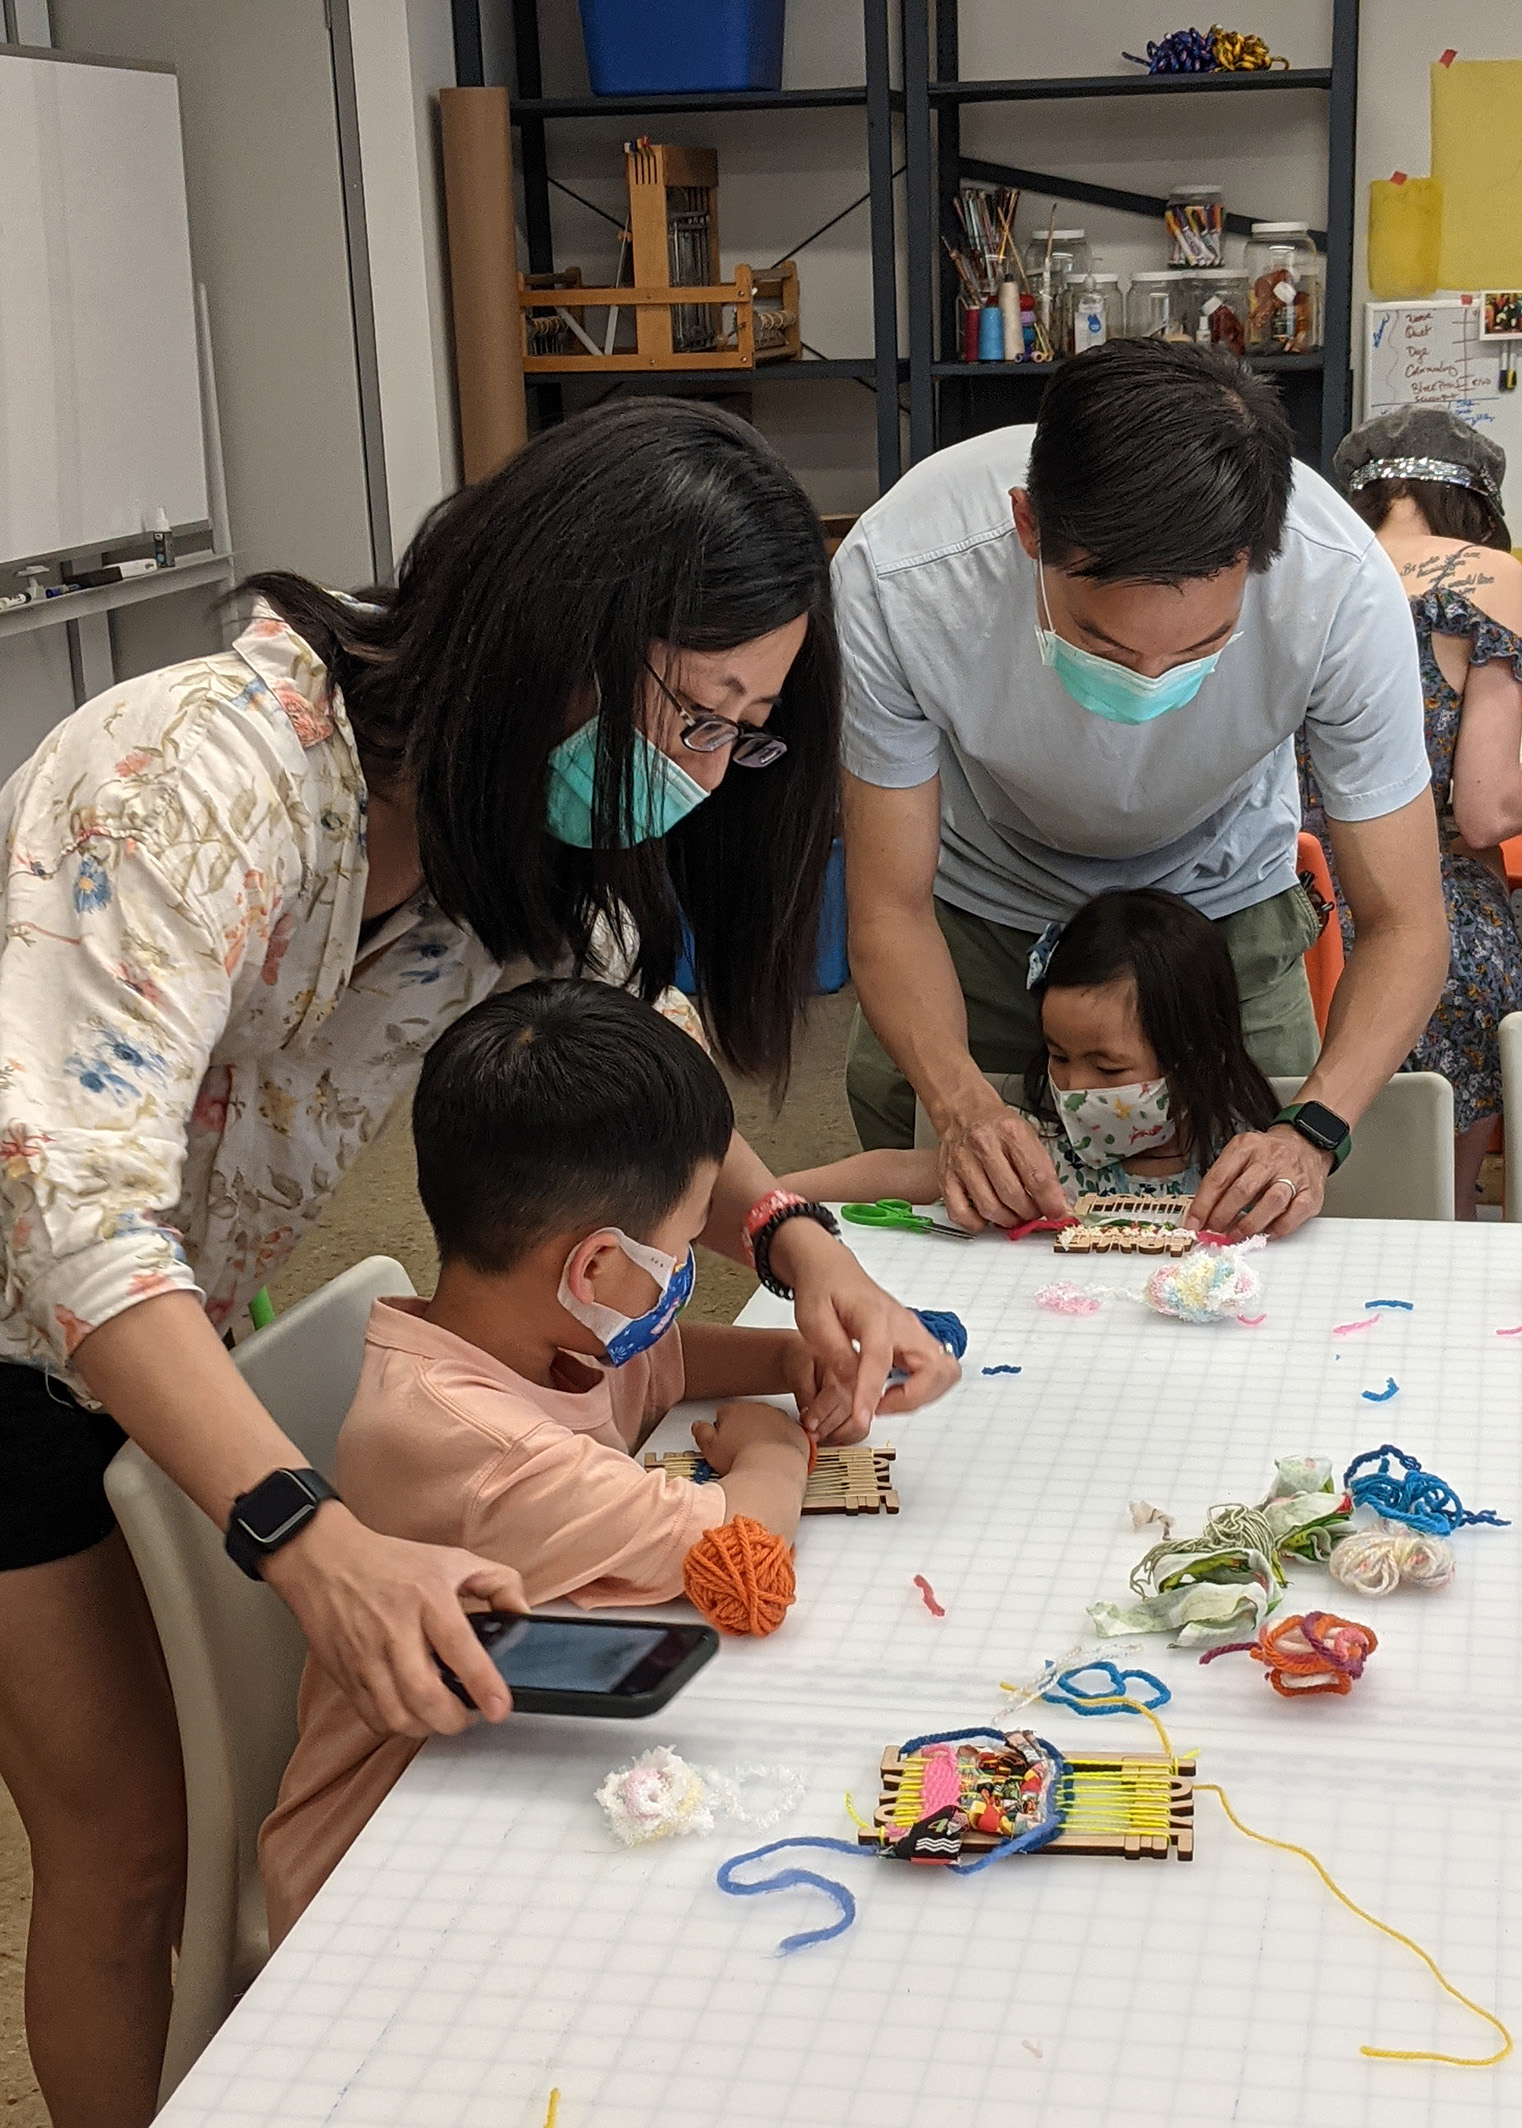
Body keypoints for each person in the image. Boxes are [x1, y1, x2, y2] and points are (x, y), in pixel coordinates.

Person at [0, 398, 956, 2126]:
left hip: (175, 1314)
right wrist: (306, 1534)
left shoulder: (501, 832)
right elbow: (69, 1216)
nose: (701, 764)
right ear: (560, 619)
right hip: (14, 1332)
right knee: (126, 1847)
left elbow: (634, 1048)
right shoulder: (194, 775)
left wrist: (795, 1237)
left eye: (744, 730)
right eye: (691, 706)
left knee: (176, 1805)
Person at [834, 339, 1448, 1247]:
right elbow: (888, 903)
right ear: (1029, 527)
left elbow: (1405, 921)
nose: (1150, 684)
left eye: (1202, 647)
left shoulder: (1341, 591)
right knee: (957, 1228)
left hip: (1221, 913)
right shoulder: (903, 576)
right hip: (978, 914)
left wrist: (1313, 1130)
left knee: (1256, 1232)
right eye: (1107, 646)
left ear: (1260, 557)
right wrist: (958, 1102)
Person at [259, 981, 816, 1944]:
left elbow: (664, 1362)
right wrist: (775, 1442)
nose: (684, 1272)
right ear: (596, 1268)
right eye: (683, 1245)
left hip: (495, 1765)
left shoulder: (526, 1333)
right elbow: (744, 1553)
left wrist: (791, 1359)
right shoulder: (480, 1448)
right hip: (384, 1859)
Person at [1314, 410, 1522, 1218]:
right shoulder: (1487, 574)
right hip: (1427, 919)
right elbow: (1486, 813)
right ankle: (1443, 1230)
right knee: (1475, 959)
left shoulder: (1312, 565)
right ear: (1479, 511)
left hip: (1299, 914)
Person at [784, 888, 1276, 1209]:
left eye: (1107, 1068)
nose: (1074, 1089)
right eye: (1058, 1057)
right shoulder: (1032, 1155)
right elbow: (896, 1172)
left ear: (1198, 1058)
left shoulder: (1244, 1167)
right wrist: (764, 1195)